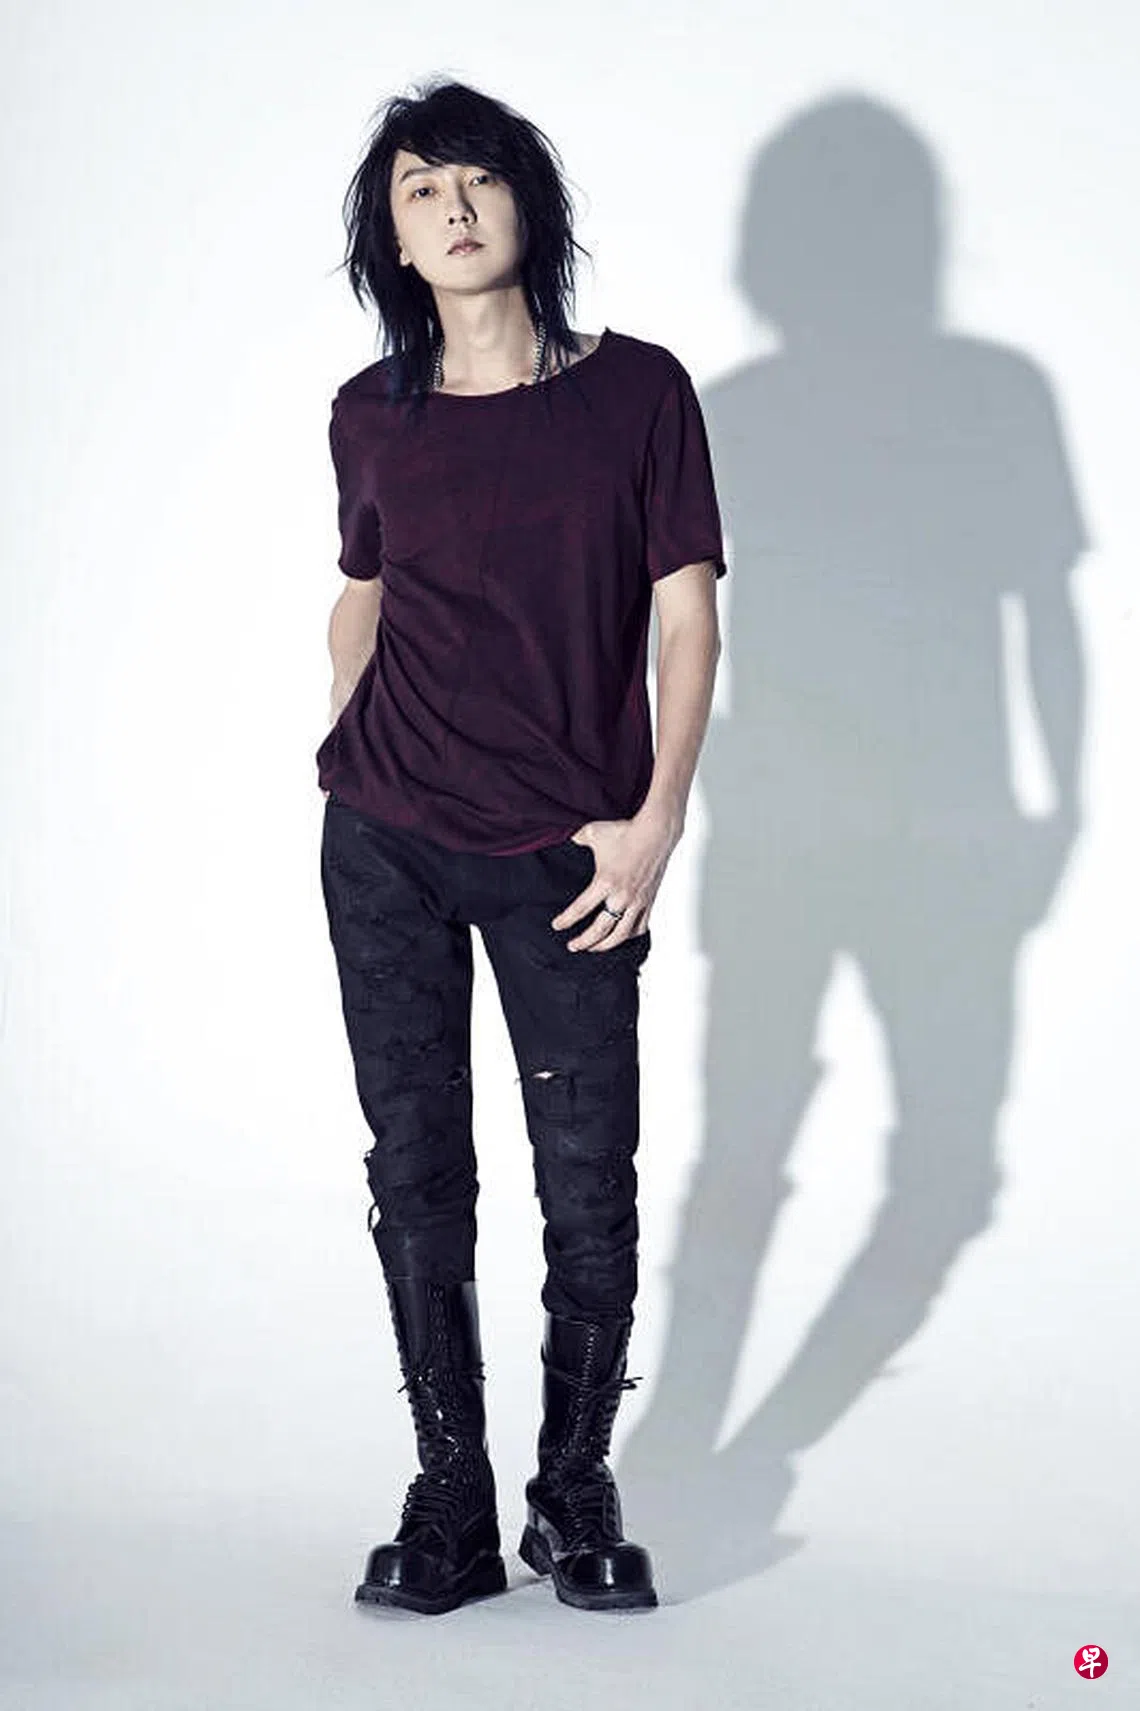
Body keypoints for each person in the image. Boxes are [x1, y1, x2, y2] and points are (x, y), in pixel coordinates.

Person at [316, 76, 726, 1615]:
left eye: (478, 179)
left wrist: (655, 818)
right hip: (387, 842)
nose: (454, 207)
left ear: (527, 204)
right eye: (421, 189)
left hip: (570, 846)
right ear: (395, 236)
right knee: (417, 1167)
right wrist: (350, 733)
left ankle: (572, 1490)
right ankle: (450, 1498)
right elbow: (361, 589)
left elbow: (686, 619)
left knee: (587, 1179)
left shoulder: (639, 394)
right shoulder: (372, 412)